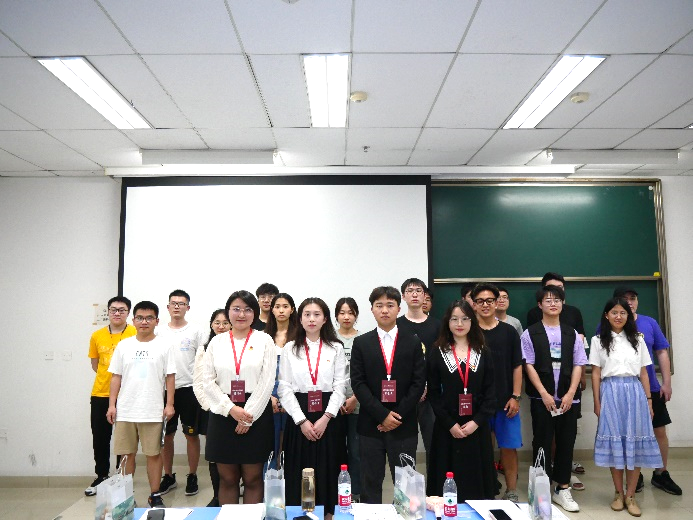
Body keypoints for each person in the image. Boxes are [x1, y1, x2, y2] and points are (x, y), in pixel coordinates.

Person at [350, 286, 426, 504]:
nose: (385, 310)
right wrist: (382, 415)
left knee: (405, 484)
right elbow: (358, 383)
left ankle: (404, 515)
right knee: (370, 482)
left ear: (398, 309)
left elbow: (418, 383)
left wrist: (396, 415)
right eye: (379, 305)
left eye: (390, 305)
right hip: (370, 424)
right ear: (372, 310)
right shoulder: (361, 343)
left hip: (404, 424)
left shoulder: (413, 341)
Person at [590, 297, 662, 517]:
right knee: (616, 445)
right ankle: (618, 494)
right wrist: (597, 402)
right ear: (606, 315)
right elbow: (595, 373)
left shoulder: (637, 339)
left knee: (635, 443)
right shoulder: (598, 340)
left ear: (628, 316)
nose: (619, 316)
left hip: (635, 393)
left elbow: (644, 373)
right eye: (614, 312)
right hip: (610, 392)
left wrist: (649, 400)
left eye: (623, 313)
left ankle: (631, 496)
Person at [203, 290, 276, 505]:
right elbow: (207, 381)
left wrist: (248, 415)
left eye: (247, 309)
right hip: (223, 412)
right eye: (236, 309)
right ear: (228, 312)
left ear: (255, 313)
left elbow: (267, 381)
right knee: (227, 478)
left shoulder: (265, 340)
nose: (241, 314)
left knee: (253, 478)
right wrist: (231, 409)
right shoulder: (216, 342)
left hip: (256, 413)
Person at [278, 297, 347, 520]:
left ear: (325, 319)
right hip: (299, 416)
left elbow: (340, 386)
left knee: (328, 468)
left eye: (317, 314)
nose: (311, 319)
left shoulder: (335, 348)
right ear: (300, 319)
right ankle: (300, 515)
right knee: (299, 470)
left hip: (328, 417)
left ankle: (328, 515)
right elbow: (284, 388)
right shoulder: (290, 348)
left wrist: (326, 417)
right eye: (307, 314)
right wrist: (301, 421)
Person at [520, 285, 587, 513]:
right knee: (542, 442)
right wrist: (543, 393)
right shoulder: (530, 333)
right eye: (547, 300)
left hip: (569, 399)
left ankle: (562, 488)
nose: (553, 303)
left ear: (562, 303)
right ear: (540, 305)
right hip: (542, 399)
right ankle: (541, 490)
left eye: (557, 299)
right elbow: (528, 365)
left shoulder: (572, 333)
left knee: (566, 442)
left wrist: (570, 393)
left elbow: (579, 364)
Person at [106, 301, 176, 508]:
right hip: (126, 410)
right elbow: (116, 376)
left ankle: (155, 495)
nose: (144, 322)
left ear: (156, 321)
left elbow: (170, 376)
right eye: (140, 318)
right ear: (133, 320)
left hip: (152, 410)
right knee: (126, 455)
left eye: (149, 318)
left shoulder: (164, 345)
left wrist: (169, 404)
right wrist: (112, 405)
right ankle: (126, 497)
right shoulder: (124, 345)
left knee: (153, 454)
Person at [612, 286, 681, 495]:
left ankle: (661, 473)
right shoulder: (609, 324)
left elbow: (661, 352)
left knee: (659, 431)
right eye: (624, 299)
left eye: (633, 298)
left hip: (650, 386)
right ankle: (635, 475)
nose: (629, 302)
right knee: (628, 434)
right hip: (622, 389)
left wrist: (666, 383)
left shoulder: (649, 322)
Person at [426, 300, 497, 500]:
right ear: (447, 322)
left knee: (476, 480)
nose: (459, 324)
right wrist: (450, 424)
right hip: (447, 427)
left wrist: (476, 422)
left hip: (476, 427)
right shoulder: (437, 351)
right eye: (454, 319)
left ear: (472, 321)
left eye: (465, 319)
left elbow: (491, 392)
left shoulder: (483, 351)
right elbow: (433, 393)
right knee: (446, 481)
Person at [471, 284, 523, 503]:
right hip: (476, 403)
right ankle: (484, 490)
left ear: (496, 303)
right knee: (481, 449)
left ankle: (511, 491)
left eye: (490, 300)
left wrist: (516, 396)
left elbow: (517, 365)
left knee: (508, 447)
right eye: (480, 301)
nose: (485, 305)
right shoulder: (469, 331)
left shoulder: (509, 331)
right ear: (473, 304)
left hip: (505, 402)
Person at [158, 289, 207, 497]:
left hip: (189, 390)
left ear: (188, 307)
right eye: (173, 303)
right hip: (163, 390)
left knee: (191, 435)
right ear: (168, 307)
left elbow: (203, 361)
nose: (177, 306)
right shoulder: (158, 331)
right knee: (166, 436)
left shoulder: (196, 331)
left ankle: (192, 475)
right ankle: (168, 476)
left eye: (181, 303)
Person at [85, 296, 136, 496]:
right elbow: (95, 365)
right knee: (100, 437)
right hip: (100, 393)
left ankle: (121, 476)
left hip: (127, 394)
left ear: (128, 313)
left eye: (122, 310)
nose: (117, 313)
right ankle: (101, 475)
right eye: (113, 309)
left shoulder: (135, 333)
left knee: (124, 438)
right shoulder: (97, 335)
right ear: (108, 311)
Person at [396, 278, 441, 471]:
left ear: (424, 296)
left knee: (433, 442)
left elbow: (440, 360)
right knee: (405, 445)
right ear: (403, 296)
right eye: (410, 290)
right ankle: (407, 485)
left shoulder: (437, 325)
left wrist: (426, 385)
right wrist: (414, 388)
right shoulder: (396, 324)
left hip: (431, 394)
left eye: (418, 290)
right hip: (405, 394)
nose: (414, 294)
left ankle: (434, 485)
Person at [192, 309, 231, 507]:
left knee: (234, 453)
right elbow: (198, 383)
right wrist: (210, 406)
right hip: (213, 409)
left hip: (236, 408)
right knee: (216, 454)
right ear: (211, 325)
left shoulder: (238, 347)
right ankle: (217, 496)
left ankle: (233, 492)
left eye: (225, 323)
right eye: (217, 322)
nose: (221, 326)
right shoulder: (204, 349)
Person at [264, 292, 298, 469]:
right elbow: (260, 371)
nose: (281, 310)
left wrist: (288, 398)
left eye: (285, 306)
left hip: (292, 392)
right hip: (268, 394)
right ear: (272, 310)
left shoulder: (300, 335)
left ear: (292, 309)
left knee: (291, 441)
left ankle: (289, 479)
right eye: (277, 307)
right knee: (270, 441)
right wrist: (268, 396)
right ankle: (269, 480)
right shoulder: (264, 336)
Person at [335, 297, 363, 502]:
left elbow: (368, 373)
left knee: (356, 451)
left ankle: (356, 493)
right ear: (336, 315)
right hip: (333, 405)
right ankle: (337, 491)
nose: (346, 317)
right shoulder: (329, 339)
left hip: (358, 403)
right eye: (342, 312)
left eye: (351, 313)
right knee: (336, 450)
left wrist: (355, 398)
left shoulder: (363, 339)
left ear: (356, 315)